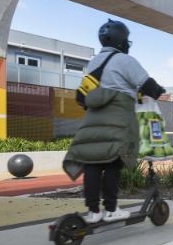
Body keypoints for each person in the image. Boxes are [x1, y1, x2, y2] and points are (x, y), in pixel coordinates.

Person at [64, 19, 165, 223]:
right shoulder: (125, 61)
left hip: (93, 118)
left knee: (93, 162)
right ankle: (110, 209)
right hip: (119, 116)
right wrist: (158, 90)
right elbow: (148, 85)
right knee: (114, 161)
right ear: (121, 40)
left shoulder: (94, 62)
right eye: (127, 40)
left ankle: (93, 211)